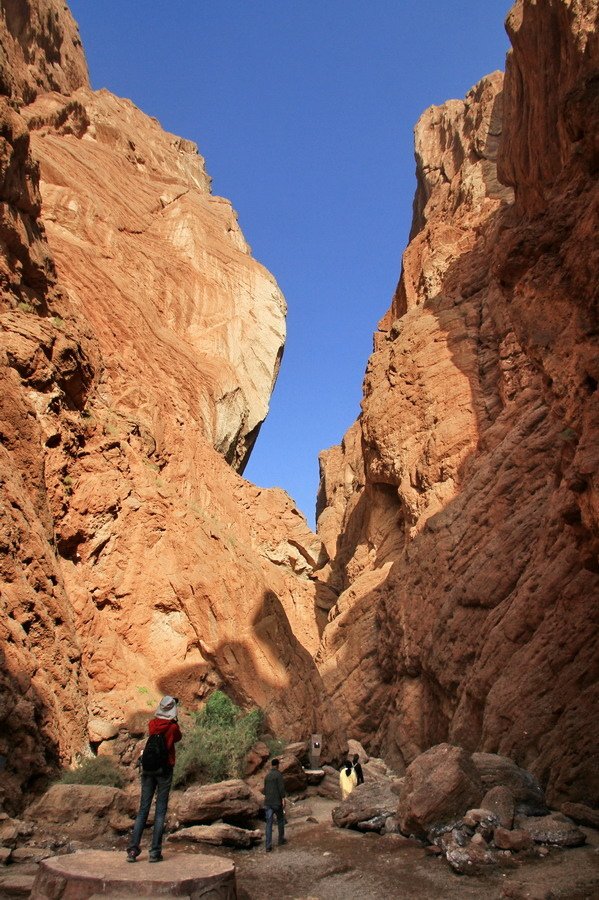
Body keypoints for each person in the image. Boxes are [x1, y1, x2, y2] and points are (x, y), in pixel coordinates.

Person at [127, 696, 182, 863]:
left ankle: (133, 851)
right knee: (160, 812)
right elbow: (177, 738)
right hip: (164, 770)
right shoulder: (173, 728)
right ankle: (154, 852)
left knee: (143, 810)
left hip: (148, 769)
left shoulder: (152, 724)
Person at [263, 758, 287, 852]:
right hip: (276, 803)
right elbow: (281, 788)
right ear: (277, 765)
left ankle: (268, 846)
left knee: (269, 824)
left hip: (268, 803)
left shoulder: (267, 776)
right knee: (280, 820)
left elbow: (265, 790)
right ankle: (280, 840)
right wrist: (283, 798)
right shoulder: (278, 775)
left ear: (271, 765)